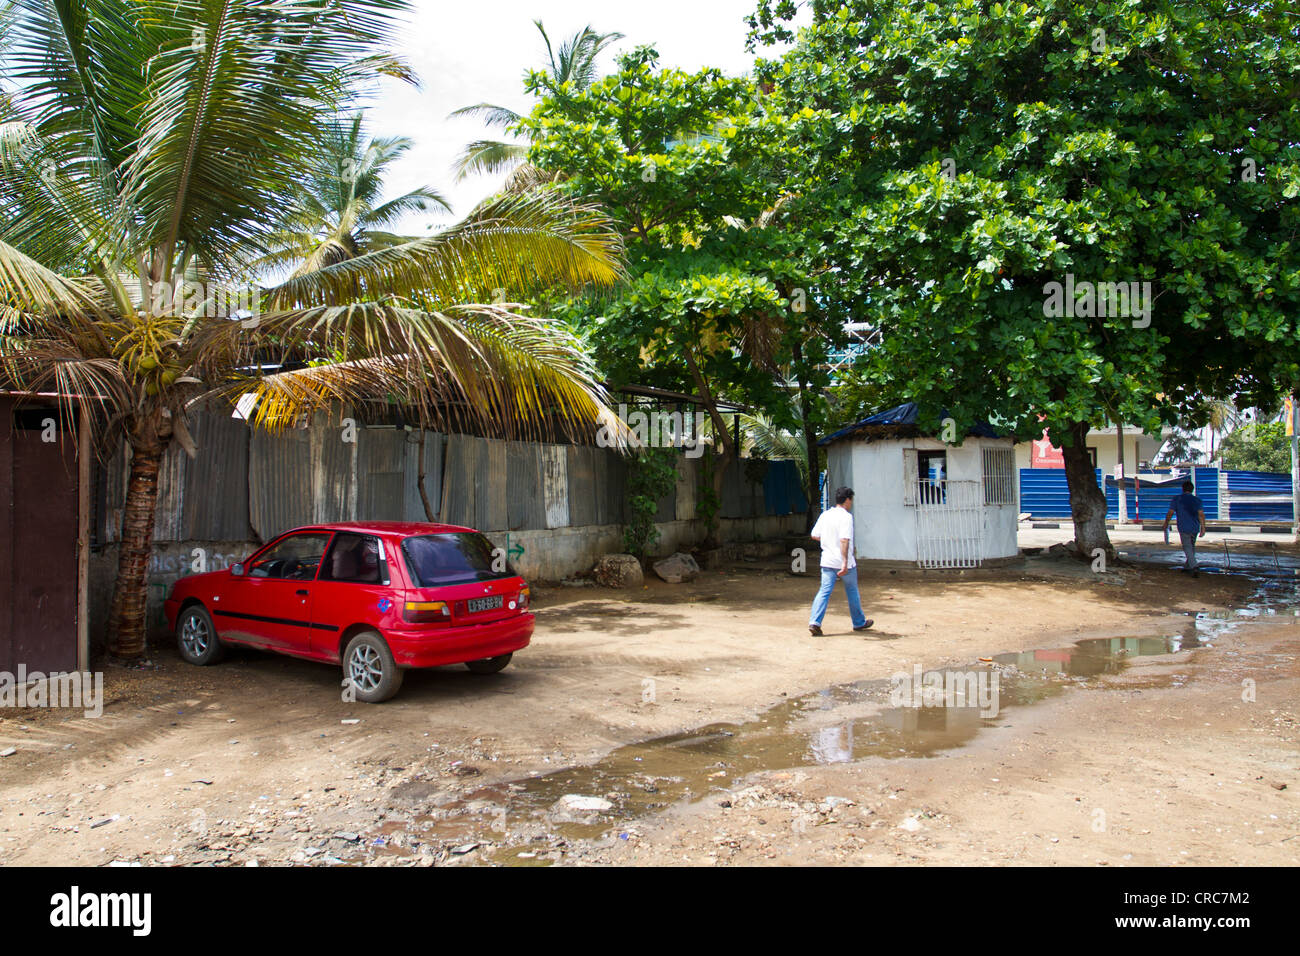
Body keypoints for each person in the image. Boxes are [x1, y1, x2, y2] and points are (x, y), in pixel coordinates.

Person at [807, 486, 873, 635]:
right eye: (851, 500)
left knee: (824, 591)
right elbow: (844, 540)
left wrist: (828, 540)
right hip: (845, 563)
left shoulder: (826, 515)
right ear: (847, 500)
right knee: (852, 591)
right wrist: (844, 562)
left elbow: (814, 535)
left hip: (827, 561)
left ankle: (814, 621)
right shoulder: (846, 517)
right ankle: (858, 622)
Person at [1162, 479, 1207, 571]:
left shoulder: (1177, 499)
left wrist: (1166, 522)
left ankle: (1194, 566)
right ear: (1192, 489)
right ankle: (1187, 566)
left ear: (1182, 489)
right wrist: (1203, 528)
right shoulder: (1197, 500)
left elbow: (1170, 512)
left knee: (1187, 546)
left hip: (1183, 526)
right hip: (1195, 527)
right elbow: (1201, 515)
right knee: (1191, 546)